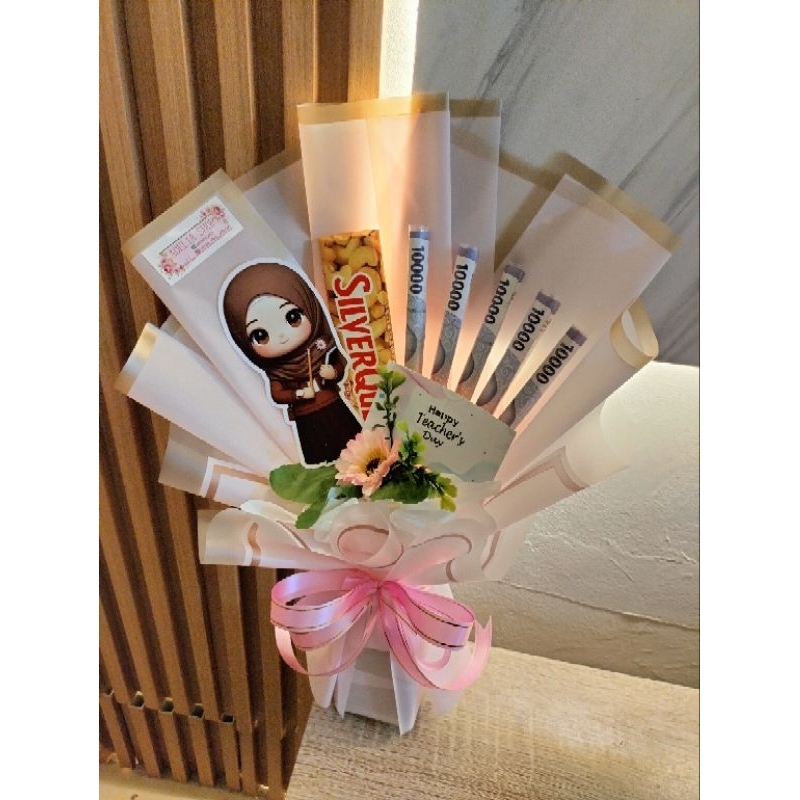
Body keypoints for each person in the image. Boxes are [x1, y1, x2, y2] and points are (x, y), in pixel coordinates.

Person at [222, 260, 362, 465]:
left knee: (355, 445)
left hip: (332, 404)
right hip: (307, 417)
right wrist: (298, 394)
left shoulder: (322, 347)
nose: (281, 336)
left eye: (292, 317)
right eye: (260, 335)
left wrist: (333, 372)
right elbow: (277, 393)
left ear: (308, 304)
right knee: (322, 458)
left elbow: (339, 364)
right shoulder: (278, 371)